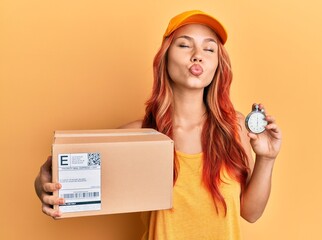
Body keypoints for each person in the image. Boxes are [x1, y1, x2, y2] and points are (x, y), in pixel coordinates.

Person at [35, 10, 282, 240]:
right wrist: (44, 183)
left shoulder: (236, 127)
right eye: (185, 45)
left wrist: (267, 159)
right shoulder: (137, 136)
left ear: (218, 65)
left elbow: (250, 212)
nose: (197, 55)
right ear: (165, 57)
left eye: (209, 49)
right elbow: (65, 181)